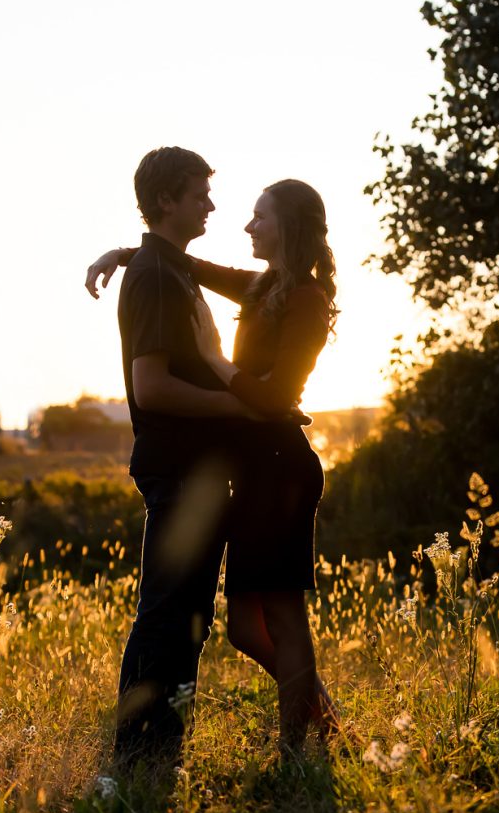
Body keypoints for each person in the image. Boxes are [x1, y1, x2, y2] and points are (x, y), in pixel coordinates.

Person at [87, 177, 339, 755]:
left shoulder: (305, 298)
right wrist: (124, 254)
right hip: (251, 472)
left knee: (281, 613)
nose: (247, 226)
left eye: (260, 217)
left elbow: (276, 399)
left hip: (282, 469)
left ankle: (297, 750)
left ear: (289, 227)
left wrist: (213, 360)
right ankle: (324, 716)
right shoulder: (262, 287)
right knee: (245, 629)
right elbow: (187, 265)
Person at [97, 146, 262, 765]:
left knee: (187, 611)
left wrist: (125, 250)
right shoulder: (160, 277)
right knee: (167, 609)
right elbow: (153, 386)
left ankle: (163, 744)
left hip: (194, 468)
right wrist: (241, 410)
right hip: (178, 466)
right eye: (198, 195)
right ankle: (137, 752)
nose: (211, 205)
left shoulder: (167, 267)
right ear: (166, 200)